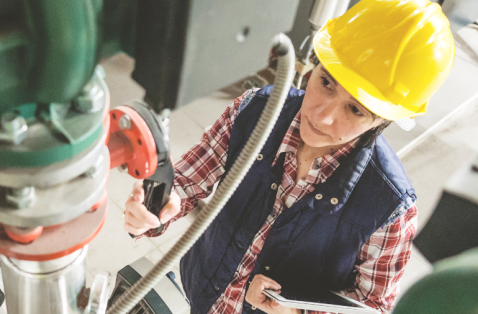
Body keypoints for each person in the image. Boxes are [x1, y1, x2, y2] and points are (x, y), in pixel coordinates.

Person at [123, 0, 455, 313]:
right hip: (199, 290)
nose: (322, 116)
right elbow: (187, 181)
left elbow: (373, 307)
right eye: (326, 82)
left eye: (354, 109)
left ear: (384, 120)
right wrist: (155, 208)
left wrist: (297, 311)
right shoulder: (256, 111)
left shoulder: (390, 209)